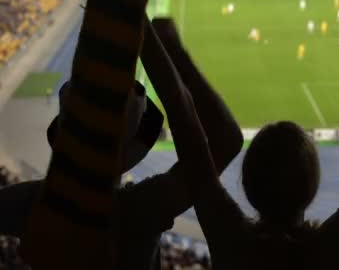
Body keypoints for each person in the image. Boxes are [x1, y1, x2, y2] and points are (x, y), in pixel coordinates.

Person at [141, 0, 339, 269]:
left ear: (248, 186)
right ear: (311, 187)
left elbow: (187, 127)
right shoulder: (332, 248)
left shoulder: (230, 240)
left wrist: (170, 50)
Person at [0, 18, 243, 270]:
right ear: (131, 151)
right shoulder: (141, 209)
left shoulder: (30, 201)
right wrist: (167, 48)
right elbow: (227, 140)